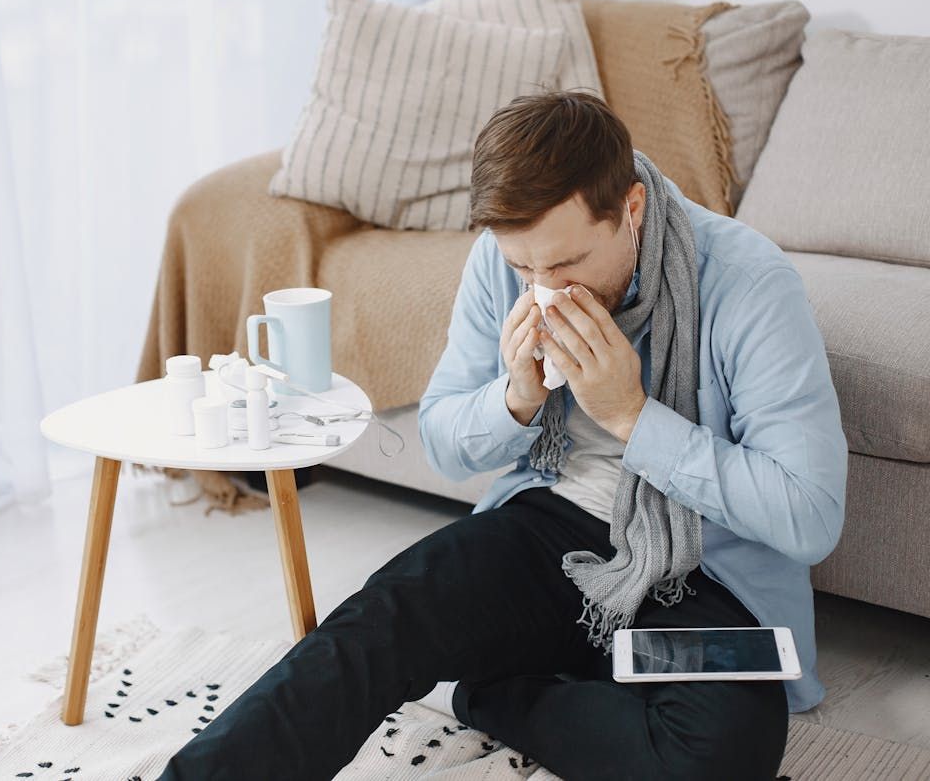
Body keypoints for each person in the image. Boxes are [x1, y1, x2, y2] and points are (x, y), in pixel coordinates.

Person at [156, 90, 848, 780]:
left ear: (630, 210)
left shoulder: (749, 283)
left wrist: (633, 415)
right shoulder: (503, 261)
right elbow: (445, 442)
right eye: (526, 268)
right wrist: (516, 397)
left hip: (699, 563)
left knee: (724, 749)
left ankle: (497, 689)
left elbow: (810, 516)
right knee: (378, 622)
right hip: (550, 527)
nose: (544, 288)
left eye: (567, 264)